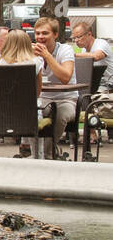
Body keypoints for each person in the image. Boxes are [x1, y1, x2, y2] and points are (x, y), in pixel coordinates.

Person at [0, 29, 45, 157]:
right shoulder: (36, 62)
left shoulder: (0, 62)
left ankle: (24, 147)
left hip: (3, 115)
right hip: (30, 115)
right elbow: (37, 92)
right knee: (42, 108)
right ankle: (39, 154)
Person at [33, 16, 77, 158]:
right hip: (42, 100)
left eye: (45, 33)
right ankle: (32, 153)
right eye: (37, 33)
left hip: (66, 100)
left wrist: (47, 56)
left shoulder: (65, 50)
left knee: (60, 114)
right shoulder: (32, 51)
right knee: (25, 111)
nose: (40, 37)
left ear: (55, 34)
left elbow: (65, 78)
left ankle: (48, 154)